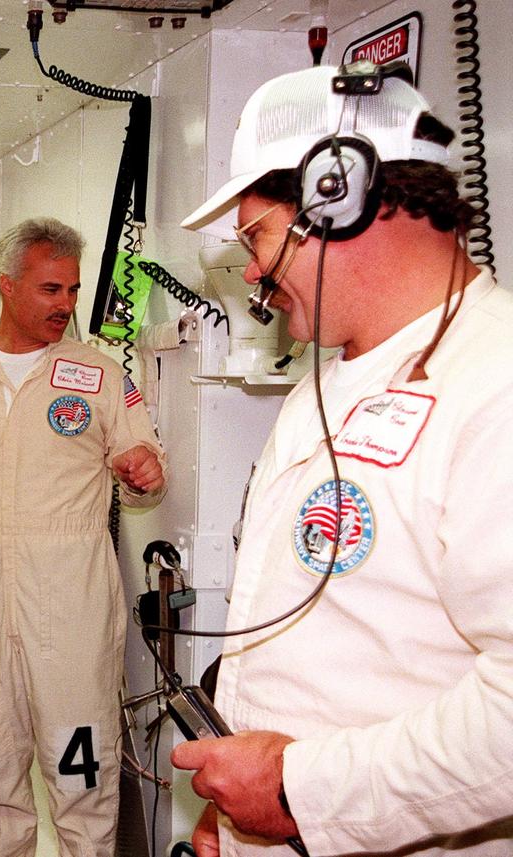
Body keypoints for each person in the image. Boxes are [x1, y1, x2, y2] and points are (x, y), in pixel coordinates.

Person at [172, 63, 513, 856]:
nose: (253, 274)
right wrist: (237, 808)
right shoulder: (329, 384)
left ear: (340, 192)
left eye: (257, 236)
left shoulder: (494, 383)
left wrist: (299, 790)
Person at [0, 217, 167, 856]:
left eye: (73, 290)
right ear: (7, 286)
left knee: (82, 777)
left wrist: (144, 476)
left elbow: (144, 476)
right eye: (50, 290)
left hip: (72, 607)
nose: (66, 305)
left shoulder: (98, 376)